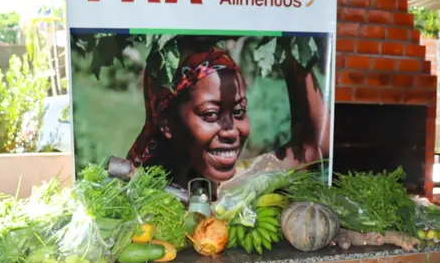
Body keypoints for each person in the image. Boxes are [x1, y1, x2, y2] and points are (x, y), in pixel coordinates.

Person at [126, 44, 329, 190]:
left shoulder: (240, 184)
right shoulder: (138, 193)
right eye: (211, 114)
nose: (231, 130)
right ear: (167, 124)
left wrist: (290, 45)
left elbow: (317, 146)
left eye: (239, 111)